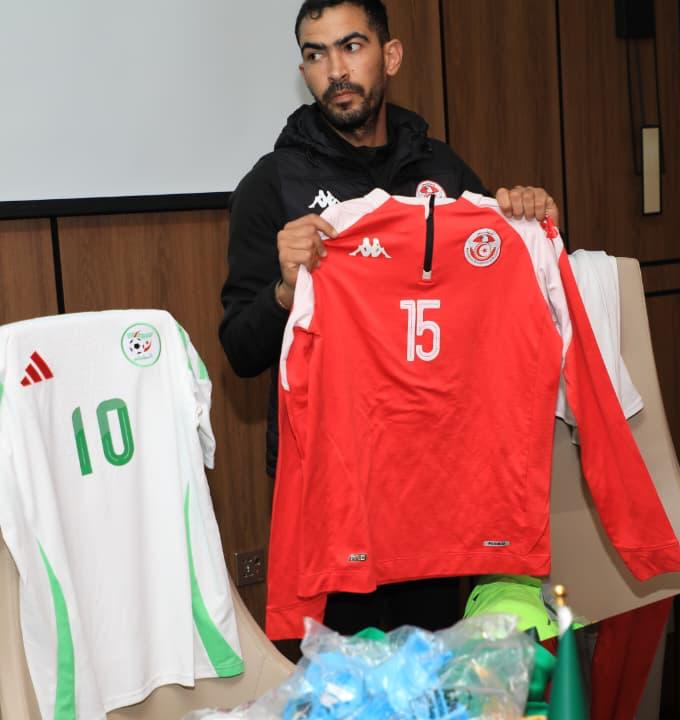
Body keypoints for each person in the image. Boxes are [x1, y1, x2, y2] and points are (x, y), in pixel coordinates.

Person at [218, 0, 557, 634]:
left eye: (351, 47)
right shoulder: (273, 185)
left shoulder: (442, 170)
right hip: (333, 478)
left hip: (437, 469)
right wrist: (285, 289)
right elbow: (239, 348)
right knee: (350, 673)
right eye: (316, 55)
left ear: (390, 55)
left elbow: (497, 288)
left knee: (435, 662)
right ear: (303, 70)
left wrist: (522, 214)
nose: (335, 71)